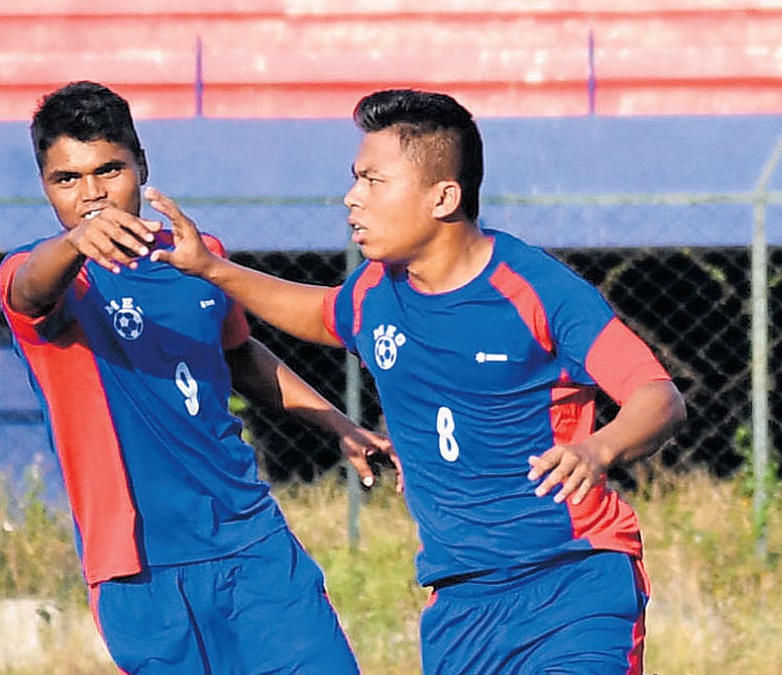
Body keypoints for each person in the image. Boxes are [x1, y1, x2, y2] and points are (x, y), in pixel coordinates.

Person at [147, 88, 688, 674]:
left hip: (573, 581)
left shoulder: (538, 291)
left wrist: (598, 447)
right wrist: (210, 269)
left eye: (374, 181)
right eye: (355, 179)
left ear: (443, 197)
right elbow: (318, 313)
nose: (352, 198)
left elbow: (658, 395)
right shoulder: (376, 291)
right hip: (459, 603)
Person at [0, 80, 392, 674]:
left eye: (109, 170)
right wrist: (73, 244)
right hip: (140, 570)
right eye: (67, 179)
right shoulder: (50, 279)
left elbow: (237, 355)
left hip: (251, 543)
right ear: (46, 187)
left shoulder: (195, 254)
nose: (93, 194)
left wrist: (337, 424)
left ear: (141, 165)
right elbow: (28, 290)